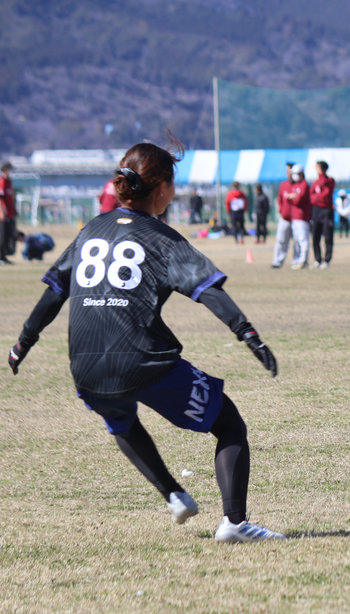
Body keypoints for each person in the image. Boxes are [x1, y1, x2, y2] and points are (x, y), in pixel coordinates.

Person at [7, 139, 284, 543]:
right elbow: (208, 291)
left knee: (120, 420)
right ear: (162, 189)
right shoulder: (162, 238)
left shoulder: (91, 229)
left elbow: (54, 292)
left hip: (84, 366)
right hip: (141, 360)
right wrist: (248, 334)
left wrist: (22, 343)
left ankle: (173, 494)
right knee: (229, 424)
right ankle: (235, 524)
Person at [272, 163, 311, 269]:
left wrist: (292, 197)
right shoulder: (284, 185)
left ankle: (298, 261)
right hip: (285, 217)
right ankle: (277, 261)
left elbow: (299, 198)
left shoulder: (301, 184)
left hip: (298, 217)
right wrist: (282, 210)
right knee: (281, 240)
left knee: (299, 241)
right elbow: (280, 199)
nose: (289, 174)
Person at [309, 161, 335, 269]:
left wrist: (317, 197)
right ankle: (317, 259)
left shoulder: (329, 180)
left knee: (328, 236)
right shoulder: (315, 182)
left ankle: (327, 260)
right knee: (315, 236)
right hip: (316, 211)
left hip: (326, 211)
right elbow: (311, 196)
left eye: (318, 168)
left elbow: (326, 194)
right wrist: (316, 198)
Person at [1, 162, 17, 263]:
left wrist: (14, 210)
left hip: (10, 214)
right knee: (2, 236)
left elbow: (11, 198)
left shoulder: (9, 182)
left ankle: (4, 257)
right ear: (4, 170)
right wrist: (1, 212)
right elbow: (0, 198)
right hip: (2, 214)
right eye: (9, 170)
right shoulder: (2, 182)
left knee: (8, 235)